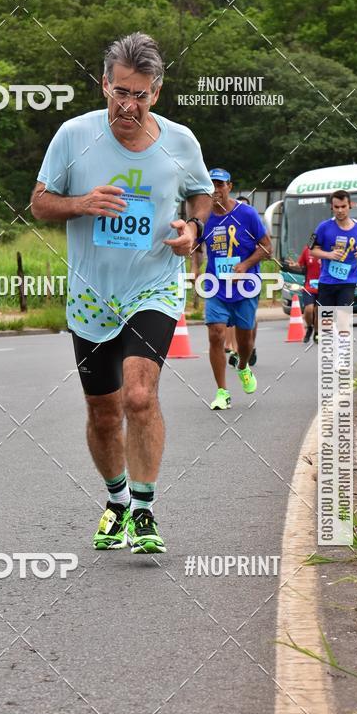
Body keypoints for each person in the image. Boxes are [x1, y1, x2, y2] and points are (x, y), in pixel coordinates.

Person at [30, 32, 213, 554]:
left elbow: (200, 195)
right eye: (120, 92)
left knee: (139, 395)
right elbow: (40, 203)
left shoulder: (180, 142)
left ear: (157, 92)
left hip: (151, 285)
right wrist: (82, 202)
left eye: (140, 94)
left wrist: (193, 232)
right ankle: (116, 501)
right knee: (103, 412)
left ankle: (146, 510)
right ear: (104, 84)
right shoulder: (73, 135)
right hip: (91, 295)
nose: (128, 105)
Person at [192, 168, 272, 410]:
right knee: (216, 334)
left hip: (246, 287)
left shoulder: (246, 214)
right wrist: (196, 269)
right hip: (216, 286)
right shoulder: (204, 218)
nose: (216, 189)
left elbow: (267, 247)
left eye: (220, 184)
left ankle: (243, 366)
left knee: (245, 338)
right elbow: (196, 246)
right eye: (211, 185)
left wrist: (246, 265)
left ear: (229, 186)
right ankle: (222, 392)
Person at [311, 190, 357, 307]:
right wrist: (329, 255)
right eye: (336, 207)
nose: (340, 210)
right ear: (332, 207)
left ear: (350, 205)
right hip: (327, 281)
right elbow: (312, 250)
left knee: (344, 320)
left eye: (343, 206)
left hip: (348, 281)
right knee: (325, 322)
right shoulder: (323, 227)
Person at [285, 245, 320, 342]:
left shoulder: (328, 251)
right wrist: (294, 265)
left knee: (318, 311)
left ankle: (317, 333)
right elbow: (300, 266)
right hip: (309, 287)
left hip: (324, 287)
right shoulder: (307, 250)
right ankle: (309, 327)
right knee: (309, 309)